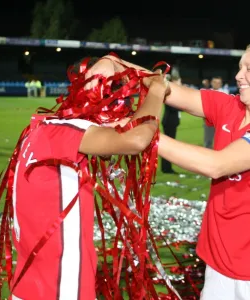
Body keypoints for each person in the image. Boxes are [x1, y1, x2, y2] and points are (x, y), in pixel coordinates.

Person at [92, 48, 250, 299]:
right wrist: (117, 64)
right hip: (218, 264)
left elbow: (217, 164)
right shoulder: (229, 106)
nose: (239, 76)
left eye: (249, 69)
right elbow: (166, 89)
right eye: (241, 67)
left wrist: (142, 133)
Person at [10, 57, 169, 300]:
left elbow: (116, 136)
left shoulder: (42, 128)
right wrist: (157, 89)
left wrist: (114, 61)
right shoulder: (64, 132)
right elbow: (136, 139)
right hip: (60, 289)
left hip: (29, 285)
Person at [161, 74, 182, 174]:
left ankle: (166, 168)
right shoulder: (170, 93)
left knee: (168, 145)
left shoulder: (171, 92)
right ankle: (167, 168)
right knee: (168, 146)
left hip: (170, 121)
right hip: (169, 121)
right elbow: (174, 108)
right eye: (179, 82)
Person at [203, 76, 229, 149]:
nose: (216, 84)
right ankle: (208, 159)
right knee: (208, 141)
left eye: (218, 83)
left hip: (222, 122)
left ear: (221, 84)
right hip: (209, 121)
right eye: (215, 82)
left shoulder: (225, 93)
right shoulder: (207, 93)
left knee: (222, 142)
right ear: (211, 83)